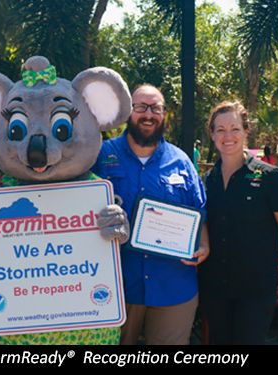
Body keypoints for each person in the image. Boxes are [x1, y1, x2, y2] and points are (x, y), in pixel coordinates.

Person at [91, 84, 210, 345]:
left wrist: (204, 245)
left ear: (165, 114)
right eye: (141, 107)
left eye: (156, 107)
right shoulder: (100, 155)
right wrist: (11, 182)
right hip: (115, 285)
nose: (149, 114)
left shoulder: (182, 162)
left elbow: (200, 212)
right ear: (127, 112)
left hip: (173, 287)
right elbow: (67, 192)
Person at [199, 101, 278, 345]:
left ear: (246, 131)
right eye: (220, 129)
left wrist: (258, 255)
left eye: (235, 128)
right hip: (215, 287)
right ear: (212, 135)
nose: (228, 136)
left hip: (254, 289)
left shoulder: (269, 177)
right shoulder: (205, 181)